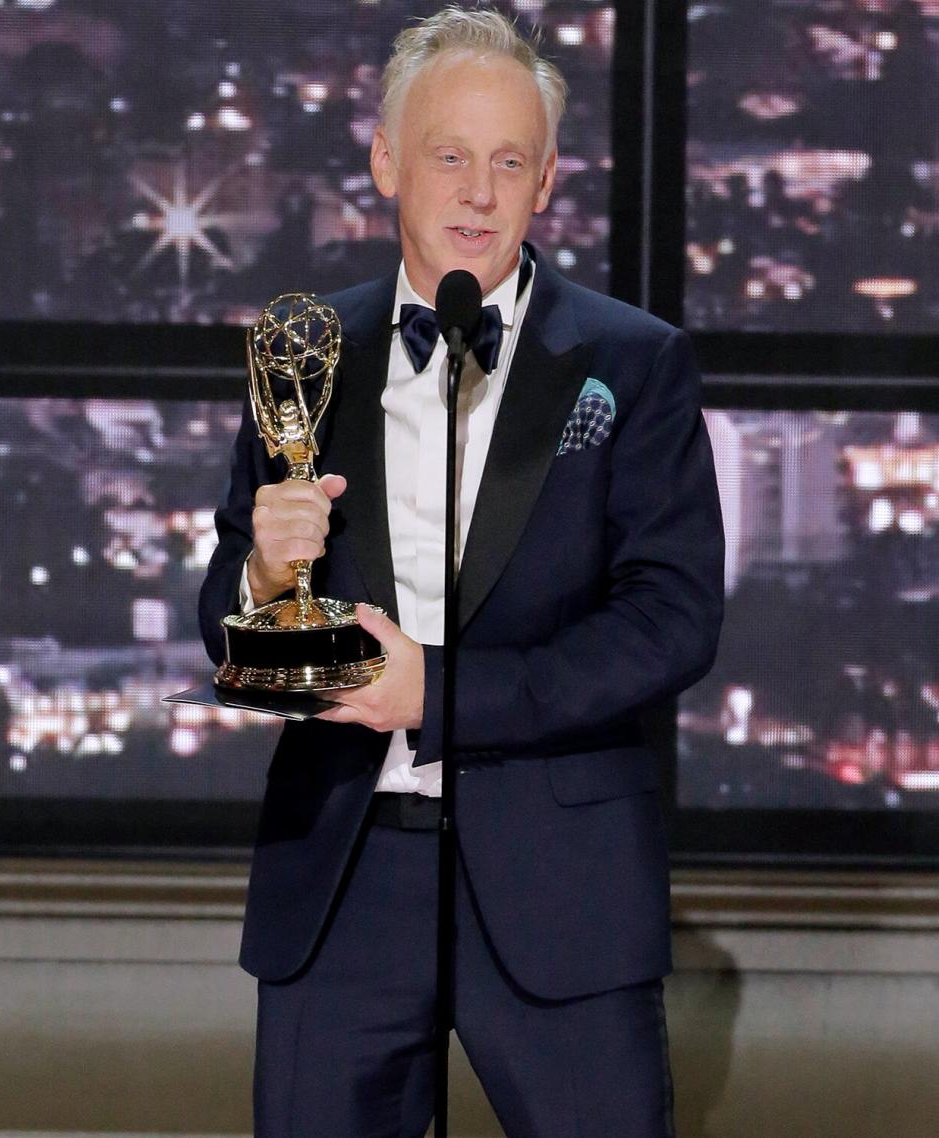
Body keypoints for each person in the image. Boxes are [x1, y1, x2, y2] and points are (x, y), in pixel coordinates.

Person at [199, 7, 724, 1137]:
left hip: (562, 883)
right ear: (387, 159)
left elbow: (674, 621)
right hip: (340, 886)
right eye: (449, 155)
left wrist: (437, 692)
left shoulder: (635, 361)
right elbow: (222, 609)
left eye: (509, 162)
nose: (477, 192)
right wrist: (258, 575)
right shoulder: (306, 353)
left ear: (546, 185)